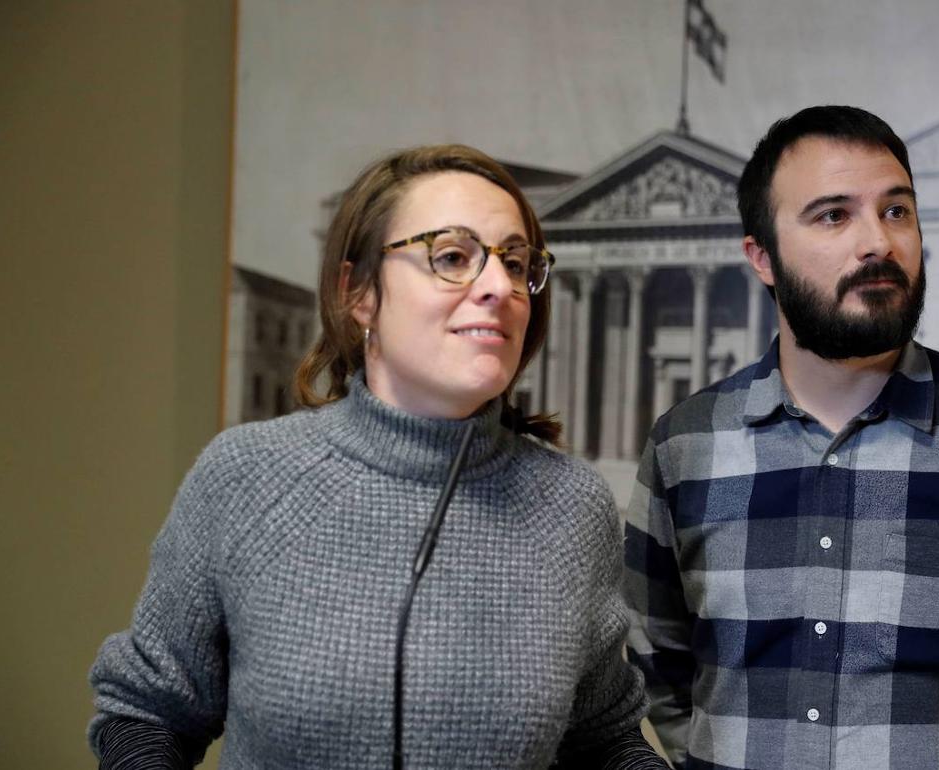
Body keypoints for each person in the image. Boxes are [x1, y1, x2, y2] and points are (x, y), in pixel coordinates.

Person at [89, 144, 668, 769]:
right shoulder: (243, 477)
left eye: (515, 262)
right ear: (359, 292)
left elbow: (606, 741)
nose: (500, 286)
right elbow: (143, 717)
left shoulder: (573, 506)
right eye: (453, 257)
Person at [624, 106, 939, 770]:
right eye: (834, 215)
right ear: (762, 257)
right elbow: (657, 661)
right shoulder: (683, 448)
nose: (878, 242)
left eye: (896, 211)